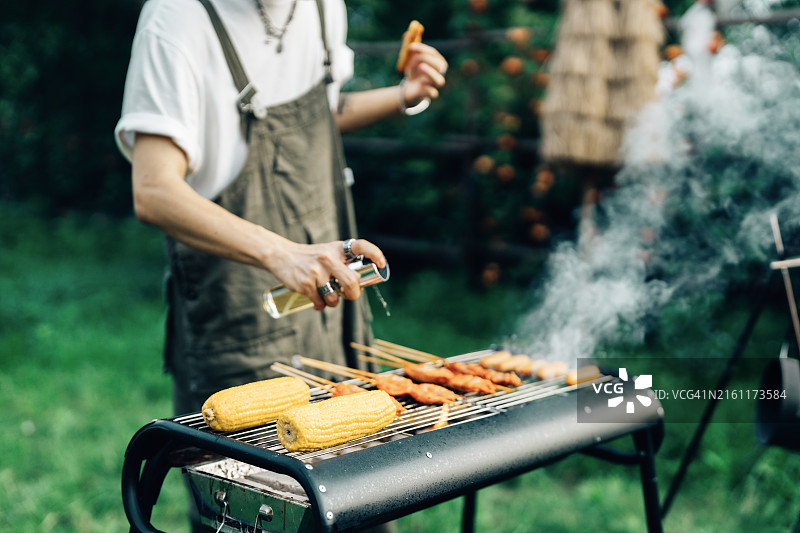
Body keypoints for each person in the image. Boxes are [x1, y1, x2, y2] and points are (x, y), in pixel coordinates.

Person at [115, 0, 446, 530]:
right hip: (239, 320)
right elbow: (154, 190)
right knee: (254, 517)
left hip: (328, 309)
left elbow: (324, 111)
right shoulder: (176, 18)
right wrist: (281, 252)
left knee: (352, 508)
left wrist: (401, 97)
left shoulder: (322, 8)